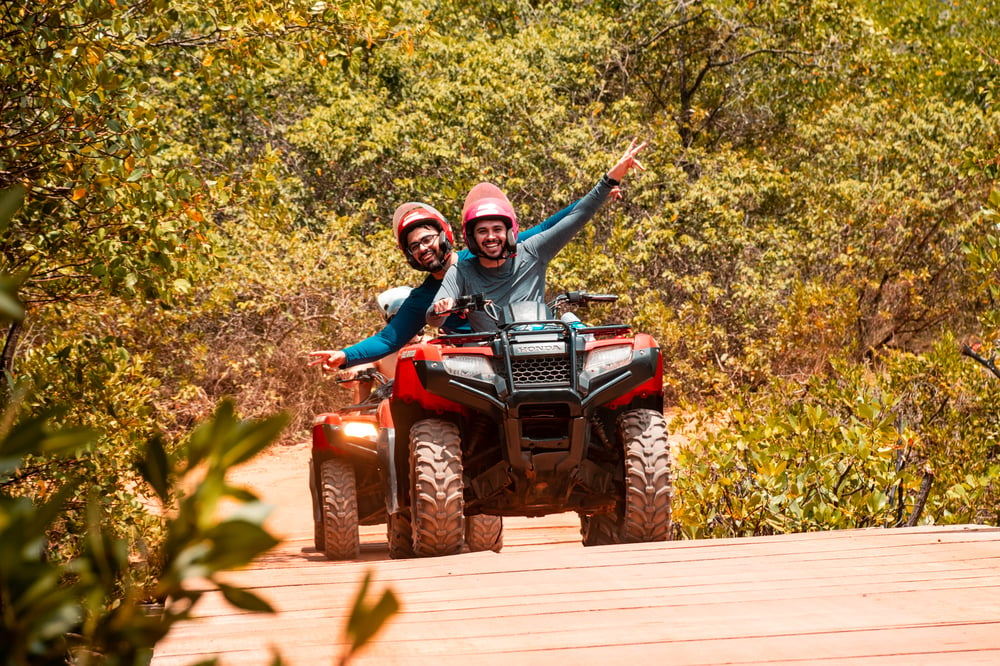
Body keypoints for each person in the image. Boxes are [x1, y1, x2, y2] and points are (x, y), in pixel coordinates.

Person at [308, 197, 583, 372]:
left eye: (427, 239)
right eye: (414, 246)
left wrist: (599, 194)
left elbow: (549, 226)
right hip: (476, 365)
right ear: (410, 256)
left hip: (525, 342)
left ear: (445, 235)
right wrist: (345, 356)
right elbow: (389, 338)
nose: (423, 248)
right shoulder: (423, 297)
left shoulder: (483, 255)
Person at [428, 138, 646, 332]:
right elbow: (433, 318)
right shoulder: (461, 272)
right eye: (482, 231)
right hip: (489, 363)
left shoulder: (532, 252)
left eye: (497, 230)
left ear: (510, 232)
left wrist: (610, 179)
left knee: (572, 326)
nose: (491, 237)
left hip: (540, 346)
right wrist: (442, 309)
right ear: (472, 238)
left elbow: (576, 218)